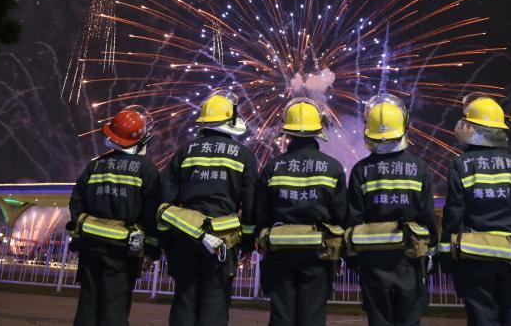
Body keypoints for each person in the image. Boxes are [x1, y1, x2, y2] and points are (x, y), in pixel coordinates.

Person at [439, 95, 511, 326]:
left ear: (471, 128)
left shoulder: (461, 165)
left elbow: (453, 216)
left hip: (475, 258)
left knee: (482, 318)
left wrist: (446, 257)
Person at [159, 90, 257, 326]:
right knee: (214, 300)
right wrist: (248, 240)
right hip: (223, 240)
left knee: (184, 298)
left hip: (185, 237)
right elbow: (252, 203)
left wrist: (166, 241)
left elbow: (165, 201)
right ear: (230, 121)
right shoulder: (243, 155)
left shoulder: (185, 152)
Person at [346, 94, 438, 326]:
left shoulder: (361, 170)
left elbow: (354, 218)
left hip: (373, 260)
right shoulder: (419, 168)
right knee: (409, 318)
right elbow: (427, 216)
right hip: (410, 257)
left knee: (379, 319)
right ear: (404, 126)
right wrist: (432, 252)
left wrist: (353, 258)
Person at [255, 98, 347, 326]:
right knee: (313, 314)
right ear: (319, 129)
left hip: (280, 251)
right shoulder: (333, 167)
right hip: (318, 252)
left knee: (281, 314)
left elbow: (261, 213)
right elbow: (341, 215)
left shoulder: (272, 167)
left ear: (287, 130)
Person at [68, 105, 162, 326]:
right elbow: (152, 213)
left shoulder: (95, 166)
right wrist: (151, 249)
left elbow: (76, 204)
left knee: (88, 304)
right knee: (115, 307)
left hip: (90, 247)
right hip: (122, 251)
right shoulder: (146, 169)